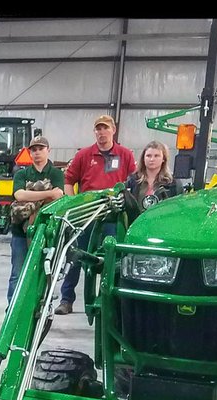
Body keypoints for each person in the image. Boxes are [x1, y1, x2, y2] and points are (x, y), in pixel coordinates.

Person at [58, 114, 136, 315]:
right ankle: (66, 299)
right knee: (75, 255)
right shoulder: (84, 155)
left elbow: (133, 183)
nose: (102, 133)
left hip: (113, 215)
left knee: (113, 257)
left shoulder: (125, 155)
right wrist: (73, 204)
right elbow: (68, 181)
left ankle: (111, 300)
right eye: (98, 129)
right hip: (87, 215)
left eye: (105, 128)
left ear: (113, 130)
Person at [7, 135, 65, 302]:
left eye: (41, 149)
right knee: (17, 273)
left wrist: (30, 196)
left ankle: (37, 307)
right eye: (34, 150)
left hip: (46, 232)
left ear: (48, 151)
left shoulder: (56, 174)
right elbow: (19, 194)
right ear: (29, 153)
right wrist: (48, 193)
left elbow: (59, 196)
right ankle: (12, 307)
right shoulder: (21, 174)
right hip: (20, 233)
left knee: (41, 272)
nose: (37, 152)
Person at [123, 140, 180, 223]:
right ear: (143, 158)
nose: (152, 159)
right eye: (148, 156)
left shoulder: (173, 184)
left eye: (156, 156)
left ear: (163, 159)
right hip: (136, 225)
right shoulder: (132, 181)